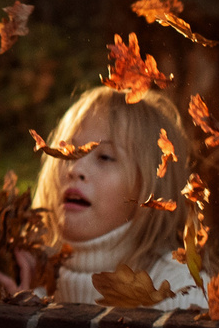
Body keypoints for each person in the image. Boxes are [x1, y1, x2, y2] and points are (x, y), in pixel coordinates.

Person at [31, 86, 206, 311]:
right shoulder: (21, 275)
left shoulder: (180, 293)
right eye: (67, 153)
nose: (75, 169)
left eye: (105, 157)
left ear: (150, 189)